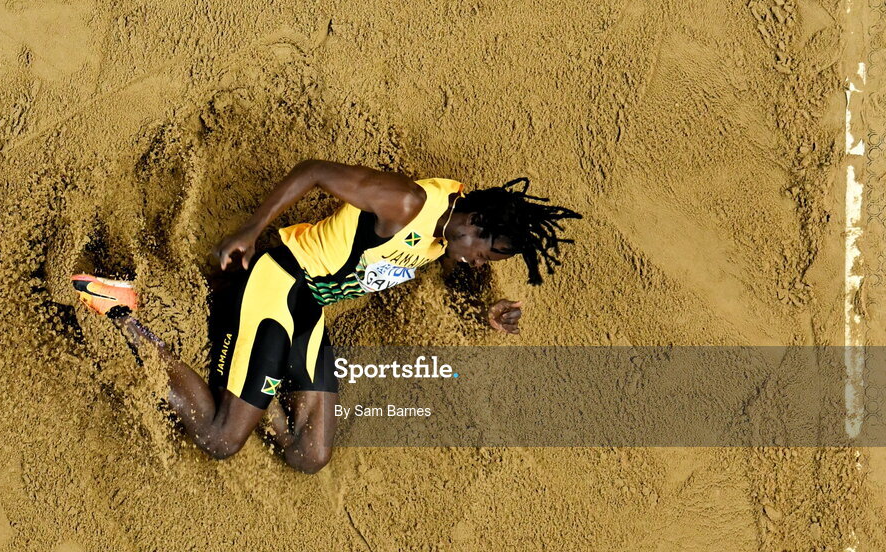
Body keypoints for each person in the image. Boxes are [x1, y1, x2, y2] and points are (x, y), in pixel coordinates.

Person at [72, 160, 580, 473]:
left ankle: (253, 390)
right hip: (276, 283)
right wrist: (252, 229)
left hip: (309, 307)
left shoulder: (449, 234)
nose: (475, 263)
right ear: (473, 222)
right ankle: (122, 313)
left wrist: (482, 308)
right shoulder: (406, 203)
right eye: (483, 255)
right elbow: (314, 170)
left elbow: (455, 269)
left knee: (309, 454)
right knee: (222, 439)